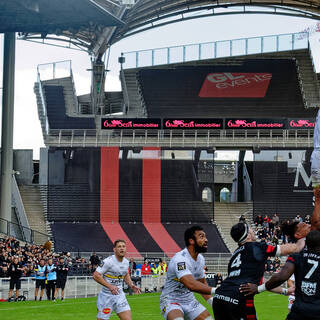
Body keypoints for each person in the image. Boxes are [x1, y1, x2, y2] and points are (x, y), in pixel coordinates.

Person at [212, 222, 305, 320]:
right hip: (239, 298)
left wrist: (285, 291)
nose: (253, 230)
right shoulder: (257, 246)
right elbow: (294, 248)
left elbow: (261, 282)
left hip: (219, 297)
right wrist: (304, 237)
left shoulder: (235, 254)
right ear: (248, 235)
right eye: (251, 229)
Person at [240, 230, 320, 320]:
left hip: (299, 310)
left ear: (306, 243)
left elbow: (281, 277)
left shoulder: (297, 256)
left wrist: (258, 289)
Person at [160, 225, 215, 320]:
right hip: (171, 300)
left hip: (189, 300)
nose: (206, 240)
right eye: (202, 237)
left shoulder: (200, 259)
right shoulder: (180, 259)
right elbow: (191, 284)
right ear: (191, 241)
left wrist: (212, 301)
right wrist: (217, 290)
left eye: (205, 237)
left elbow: (201, 283)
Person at [93, 239, 141, 320]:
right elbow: (96, 275)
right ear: (114, 249)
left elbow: (125, 274)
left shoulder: (126, 262)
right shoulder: (108, 262)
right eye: (119, 247)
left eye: (123, 246)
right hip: (106, 297)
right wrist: (110, 286)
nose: (122, 248)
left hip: (120, 296)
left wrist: (131, 285)